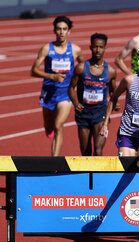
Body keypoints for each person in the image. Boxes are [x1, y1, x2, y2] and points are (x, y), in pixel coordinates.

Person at [30, 15, 84, 156]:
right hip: (48, 93)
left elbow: (83, 67)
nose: (61, 32)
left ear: (69, 31)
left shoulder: (76, 50)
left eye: (64, 29)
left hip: (65, 94)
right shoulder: (47, 49)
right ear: (54, 31)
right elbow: (33, 71)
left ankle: (54, 162)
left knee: (58, 125)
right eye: (59, 29)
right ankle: (49, 129)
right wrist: (51, 76)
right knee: (49, 128)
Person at [68, 33, 117, 156]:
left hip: (100, 114)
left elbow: (113, 91)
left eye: (101, 47)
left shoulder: (110, 71)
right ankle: (88, 175)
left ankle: (97, 175)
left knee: (98, 150)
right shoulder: (81, 68)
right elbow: (70, 88)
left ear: (105, 48)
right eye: (95, 47)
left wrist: (114, 102)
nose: (98, 50)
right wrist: (75, 103)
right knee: (85, 153)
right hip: (83, 114)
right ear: (90, 47)